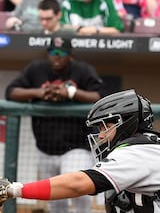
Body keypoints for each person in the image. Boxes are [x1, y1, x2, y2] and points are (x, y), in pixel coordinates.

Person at [0, 89, 160, 212]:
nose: (101, 134)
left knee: (118, 196)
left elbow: (78, 184)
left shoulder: (140, 152)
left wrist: (12, 190)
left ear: (129, 122)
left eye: (106, 125)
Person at [6, 36, 102, 213]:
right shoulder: (36, 69)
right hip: (45, 148)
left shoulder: (82, 70)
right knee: (55, 200)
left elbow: (98, 96)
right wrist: (40, 92)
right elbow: (11, 92)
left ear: (70, 55)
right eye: (52, 52)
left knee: (79, 192)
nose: (56, 56)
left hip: (77, 146)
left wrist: (70, 93)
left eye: (61, 53)